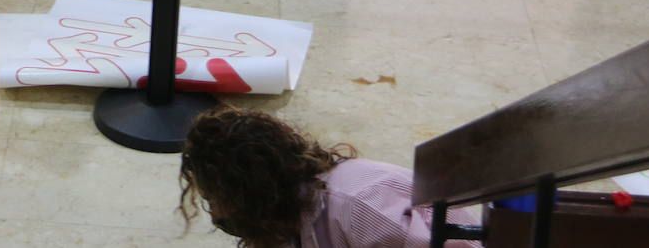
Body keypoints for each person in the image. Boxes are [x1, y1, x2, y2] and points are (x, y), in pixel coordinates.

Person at [179, 106, 481, 247]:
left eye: (216, 199)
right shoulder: (290, 218)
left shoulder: (359, 204)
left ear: (249, 192)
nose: (216, 212)